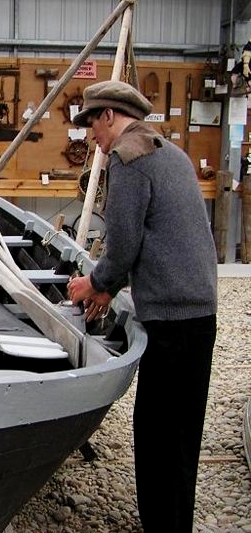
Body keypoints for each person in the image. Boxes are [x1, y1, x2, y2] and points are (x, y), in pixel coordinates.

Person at [66, 80, 218, 532]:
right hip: (198, 315)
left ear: (109, 115)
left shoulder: (127, 159)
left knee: (156, 437)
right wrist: (110, 288)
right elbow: (156, 236)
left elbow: (124, 243)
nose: (92, 137)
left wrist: (95, 283)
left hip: (171, 322)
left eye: (92, 124)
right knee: (182, 438)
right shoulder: (170, 154)